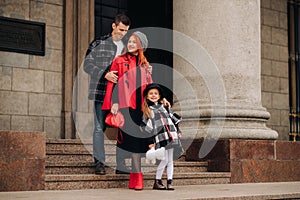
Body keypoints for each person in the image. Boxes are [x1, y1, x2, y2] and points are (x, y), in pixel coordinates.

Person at [102, 31, 153, 190]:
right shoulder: (119, 61)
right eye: (129, 41)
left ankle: (131, 173)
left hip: (140, 108)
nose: (130, 44)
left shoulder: (145, 65)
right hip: (125, 106)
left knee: (136, 140)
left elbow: (150, 86)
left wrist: (160, 100)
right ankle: (137, 176)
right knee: (132, 140)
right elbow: (114, 83)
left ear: (140, 46)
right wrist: (115, 102)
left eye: (134, 42)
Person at [83, 14, 131, 175]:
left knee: (123, 128)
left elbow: (135, 66)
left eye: (126, 30)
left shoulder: (128, 47)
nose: (124, 33)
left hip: (122, 95)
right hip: (101, 92)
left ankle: (121, 164)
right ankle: (99, 163)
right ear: (114, 26)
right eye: (121, 29)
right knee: (99, 128)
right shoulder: (99, 43)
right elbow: (87, 64)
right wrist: (105, 74)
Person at [141, 83, 182, 191]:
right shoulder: (148, 110)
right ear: (147, 96)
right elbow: (147, 129)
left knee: (170, 160)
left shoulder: (165, 107)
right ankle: (157, 181)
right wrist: (150, 142)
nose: (153, 95)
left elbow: (173, 120)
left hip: (171, 136)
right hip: (161, 138)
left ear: (159, 96)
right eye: (151, 93)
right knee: (164, 160)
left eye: (156, 93)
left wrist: (178, 131)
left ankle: (170, 181)